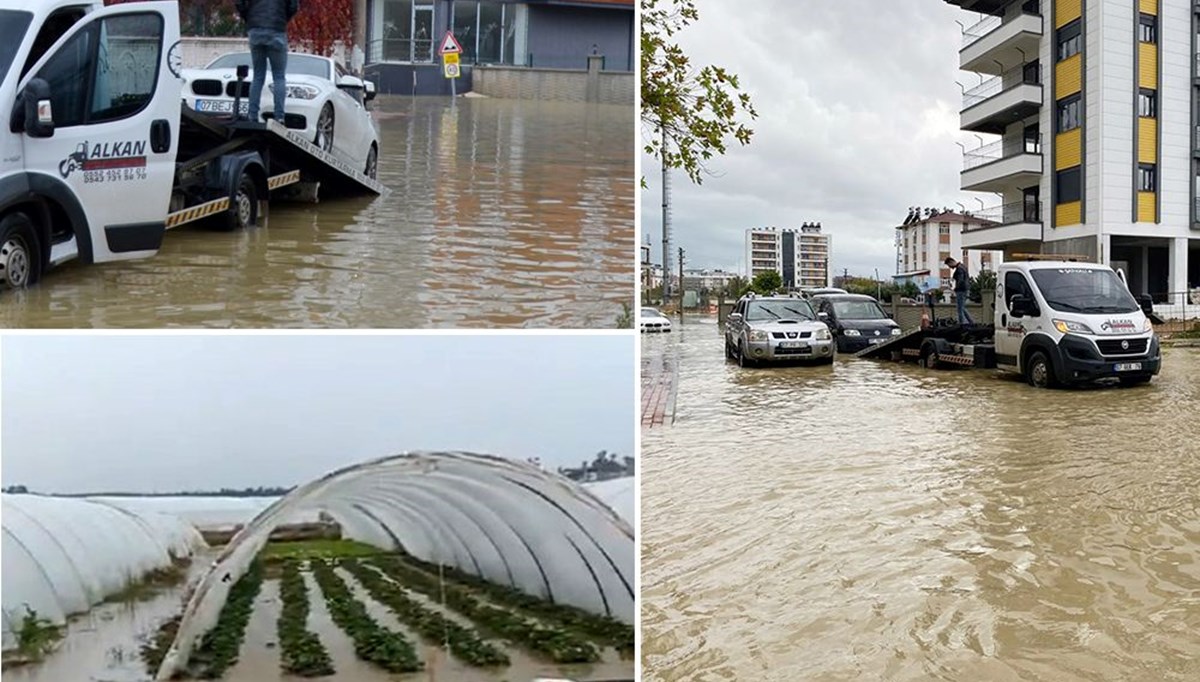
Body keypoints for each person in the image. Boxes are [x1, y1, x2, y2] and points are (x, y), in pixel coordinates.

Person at [235, 0, 300, 123]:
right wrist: (282, 20)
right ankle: (279, 116)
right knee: (279, 77)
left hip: (255, 30)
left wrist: (249, 18)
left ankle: (252, 115)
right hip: (277, 30)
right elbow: (293, 6)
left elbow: (239, 3)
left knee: (258, 76)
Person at [944, 257, 973, 325]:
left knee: (959, 309)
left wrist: (955, 288)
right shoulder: (962, 266)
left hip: (961, 290)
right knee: (962, 308)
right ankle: (971, 322)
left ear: (951, 262)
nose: (950, 267)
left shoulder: (959, 269)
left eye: (949, 265)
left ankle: (962, 325)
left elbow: (961, 280)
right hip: (965, 289)